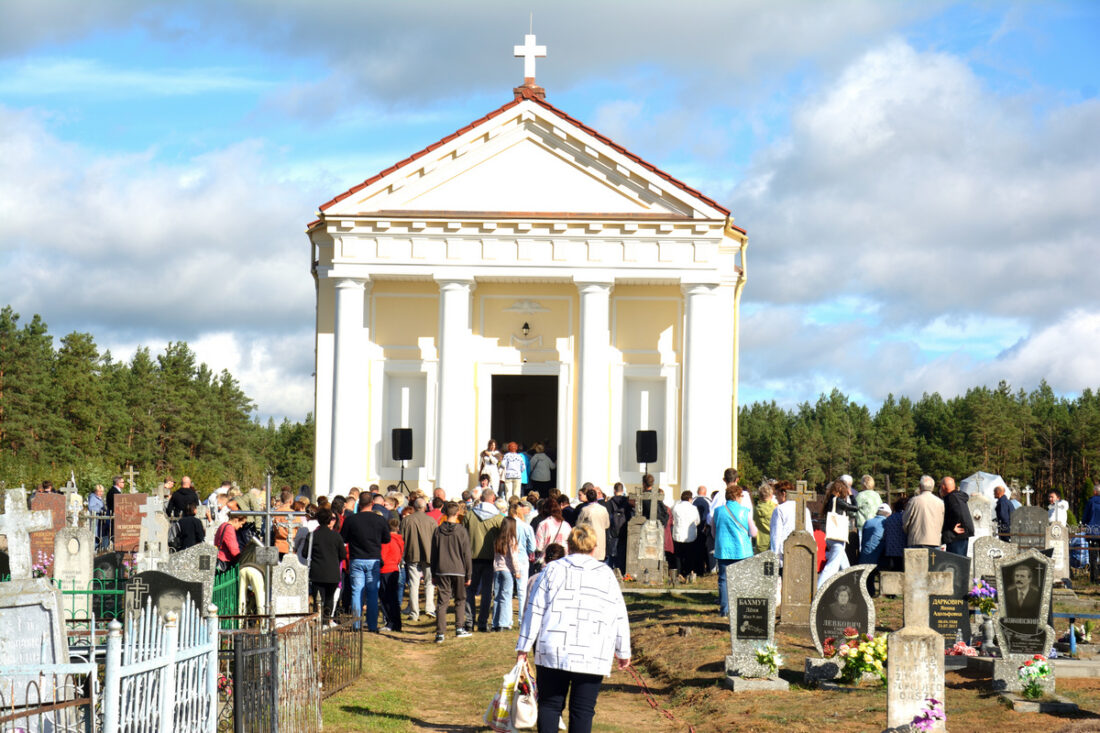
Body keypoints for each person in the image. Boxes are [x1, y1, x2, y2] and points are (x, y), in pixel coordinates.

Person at [516, 526, 630, 733]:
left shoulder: (551, 570)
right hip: (592, 650)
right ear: (595, 548)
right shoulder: (606, 574)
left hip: (554, 647)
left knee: (550, 706)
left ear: (568, 546)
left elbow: (535, 610)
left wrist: (523, 647)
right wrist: (623, 651)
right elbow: (619, 614)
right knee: (583, 710)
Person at [340, 492, 392, 632]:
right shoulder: (379, 520)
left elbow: (343, 538)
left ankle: (356, 624)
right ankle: (372, 625)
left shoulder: (351, 520)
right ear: (372, 504)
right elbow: (387, 539)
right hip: (373, 558)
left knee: (356, 592)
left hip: (356, 558)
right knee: (372, 592)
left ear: (359, 504)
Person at [463, 488, 504, 632]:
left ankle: (468, 620)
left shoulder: (469, 515)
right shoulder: (498, 517)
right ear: (492, 499)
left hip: (471, 557)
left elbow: (463, 534)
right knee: (487, 591)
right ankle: (482, 622)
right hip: (490, 558)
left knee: (470, 590)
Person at [431, 501, 473, 643]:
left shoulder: (438, 530)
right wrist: (469, 574)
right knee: (460, 599)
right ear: (457, 514)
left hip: (442, 569)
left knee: (442, 602)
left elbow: (433, 554)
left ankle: (440, 633)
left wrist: (433, 572)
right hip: (458, 569)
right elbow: (467, 554)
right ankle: (459, 627)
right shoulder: (461, 531)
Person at [713, 484, 755, 616]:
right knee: (742, 579)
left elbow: (714, 532)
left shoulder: (718, 511)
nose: (742, 498)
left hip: (724, 550)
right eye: (741, 496)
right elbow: (753, 532)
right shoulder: (745, 511)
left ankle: (725, 610)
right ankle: (741, 609)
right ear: (736, 496)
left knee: (724, 580)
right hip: (742, 550)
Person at [402, 497, 437, 621]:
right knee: (429, 583)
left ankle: (414, 613)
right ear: (425, 507)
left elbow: (402, 539)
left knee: (414, 584)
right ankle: (429, 608)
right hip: (429, 555)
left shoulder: (407, 520)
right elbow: (436, 540)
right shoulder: (431, 521)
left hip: (412, 555)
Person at [818, 480, 858, 588]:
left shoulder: (830, 500)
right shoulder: (838, 501)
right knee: (831, 567)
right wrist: (851, 495)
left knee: (845, 567)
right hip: (838, 538)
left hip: (832, 536)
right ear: (841, 490)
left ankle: (852, 588)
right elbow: (855, 508)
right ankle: (819, 589)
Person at [309, 508, 346, 621]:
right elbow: (343, 554)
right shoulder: (336, 536)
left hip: (317, 572)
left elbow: (306, 553)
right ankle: (326, 620)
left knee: (318, 599)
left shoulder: (312, 535)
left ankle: (319, 619)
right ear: (330, 520)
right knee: (329, 598)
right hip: (332, 572)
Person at [768, 480, 812, 564]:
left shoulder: (779, 510)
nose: (776, 498)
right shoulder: (805, 510)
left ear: (783, 493)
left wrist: (774, 556)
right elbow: (810, 532)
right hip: (802, 550)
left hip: (785, 552)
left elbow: (776, 535)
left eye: (776, 494)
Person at [491, 517, 524, 631]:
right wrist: (517, 571)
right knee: (506, 597)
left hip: (497, 569)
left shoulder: (497, 539)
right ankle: (504, 623)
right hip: (507, 570)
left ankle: (495, 623)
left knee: (497, 597)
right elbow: (514, 557)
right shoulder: (512, 539)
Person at [903, 475, 945, 549]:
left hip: (916, 540)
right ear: (933, 487)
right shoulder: (940, 502)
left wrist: (908, 532)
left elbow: (905, 521)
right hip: (935, 540)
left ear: (920, 486)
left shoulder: (914, 501)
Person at [379, 517, 404, 632]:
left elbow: (382, 557)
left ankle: (390, 622)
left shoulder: (386, 541)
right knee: (393, 598)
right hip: (395, 568)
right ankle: (396, 623)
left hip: (385, 570)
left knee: (386, 598)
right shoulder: (399, 540)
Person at [940, 476, 973, 556]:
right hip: (961, 535)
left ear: (943, 487)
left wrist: (952, 526)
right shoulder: (958, 496)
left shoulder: (951, 498)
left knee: (955, 562)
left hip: (955, 536)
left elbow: (957, 512)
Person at [576, 487, 611, 563]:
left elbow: (578, 525)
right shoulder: (603, 509)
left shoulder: (585, 510)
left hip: (589, 538)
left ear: (587, 498)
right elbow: (607, 524)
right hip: (601, 539)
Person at [670, 490, 700, 580]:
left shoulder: (675, 507)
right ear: (690, 498)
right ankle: (688, 572)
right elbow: (697, 521)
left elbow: (673, 518)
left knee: (678, 556)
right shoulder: (693, 508)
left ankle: (679, 573)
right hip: (690, 535)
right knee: (689, 556)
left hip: (678, 534)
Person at [535, 498, 571, 564]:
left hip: (547, 561)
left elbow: (539, 547)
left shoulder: (543, 524)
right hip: (564, 560)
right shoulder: (566, 525)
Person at [881, 496, 908, 572]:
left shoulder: (889, 518)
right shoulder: (905, 517)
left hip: (891, 550)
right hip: (903, 549)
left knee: (893, 572)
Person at [1081, 483, 1100, 583]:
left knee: (1093, 556)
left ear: (1095, 492)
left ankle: (1094, 578)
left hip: (1093, 532)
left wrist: (1084, 523)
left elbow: (1085, 517)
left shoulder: (1091, 502)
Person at [753, 482, 776, 555]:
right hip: (773, 544)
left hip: (760, 545)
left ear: (759, 496)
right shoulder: (776, 509)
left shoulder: (755, 510)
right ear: (771, 495)